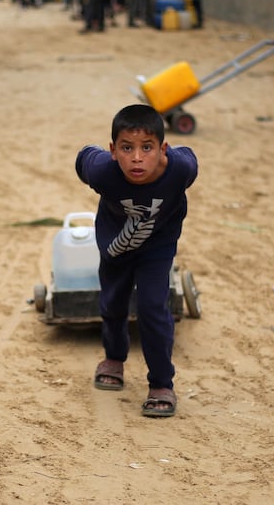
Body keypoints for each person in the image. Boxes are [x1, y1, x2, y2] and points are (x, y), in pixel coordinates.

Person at [76, 104, 198, 419]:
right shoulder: (102, 170)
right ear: (113, 150)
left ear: (163, 150)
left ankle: (161, 384)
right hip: (115, 248)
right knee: (113, 304)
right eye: (127, 148)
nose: (138, 158)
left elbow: (189, 156)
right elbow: (84, 158)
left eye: (148, 148)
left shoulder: (180, 170)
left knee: (152, 308)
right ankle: (114, 359)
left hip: (158, 247)